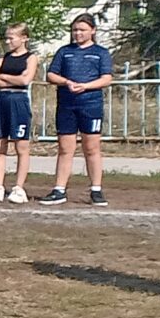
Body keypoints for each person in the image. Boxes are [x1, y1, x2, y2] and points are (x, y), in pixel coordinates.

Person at [41, 13, 114, 205]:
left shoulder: (101, 52)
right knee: (65, 148)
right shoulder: (64, 51)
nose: (78, 33)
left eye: (82, 30)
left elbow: (106, 78)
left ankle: (96, 190)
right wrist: (67, 82)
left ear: (92, 31)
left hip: (91, 106)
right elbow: (51, 75)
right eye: (75, 30)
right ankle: (59, 189)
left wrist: (86, 86)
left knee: (91, 148)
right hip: (66, 105)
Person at [0, 23, 38, 203]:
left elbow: (25, 80)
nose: (8, 41)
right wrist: (11, 80)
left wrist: (4, 77)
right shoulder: (2, 59)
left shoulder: (31, 58)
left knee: (21, 146)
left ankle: (18, 188)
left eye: (11, 38)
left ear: (24, 38)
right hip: (1, 100)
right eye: (7, 38)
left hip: (19, 101)